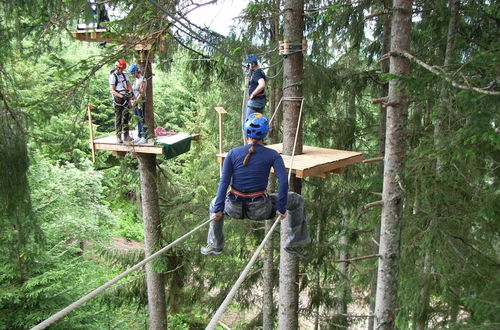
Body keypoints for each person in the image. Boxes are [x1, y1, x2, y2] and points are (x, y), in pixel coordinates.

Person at [200, 113, 310, 258]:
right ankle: (294, 243)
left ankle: (215, 245)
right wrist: (281, 207)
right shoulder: (273, 155)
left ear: (246, 133)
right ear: (265, 134)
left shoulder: (232, 154)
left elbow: (224, 182)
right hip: (260, 208)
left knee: (214, 203)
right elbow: (283, 182)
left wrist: (218, 209)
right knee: (296, 200)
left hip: (233, 207)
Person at [109, 59, 133, 143]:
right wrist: (121, 96)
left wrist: (130, 91)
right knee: (118, 118)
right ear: (117, 67)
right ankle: (118, 136)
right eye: (121, 69)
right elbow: (112, 90)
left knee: (126, 116)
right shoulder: (113, 76)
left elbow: (128, 83)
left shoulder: (124, 75)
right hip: (118, 98)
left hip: (125, 96)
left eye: (122, 69)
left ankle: (126, 135)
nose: (122, 70)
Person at [129, 64, 147, 144]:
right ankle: (139, 135)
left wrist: (136, 101)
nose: (132, 75)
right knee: (138, 119)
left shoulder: (142, 80)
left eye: (133, 73)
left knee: (141, 118)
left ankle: (144, 136)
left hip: (140, 102)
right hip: (135, 102)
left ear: (136, 72)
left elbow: (142, 93)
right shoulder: (136, 80)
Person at [244, 54, 267, 118]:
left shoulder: (257, 73)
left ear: (253, 64)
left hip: (255, 101)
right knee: (256, 123)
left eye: (248, 65)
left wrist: (253, 94)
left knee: (249, 124)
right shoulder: (260, 72)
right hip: (259, 100)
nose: (246, 67)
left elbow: (262, 85)